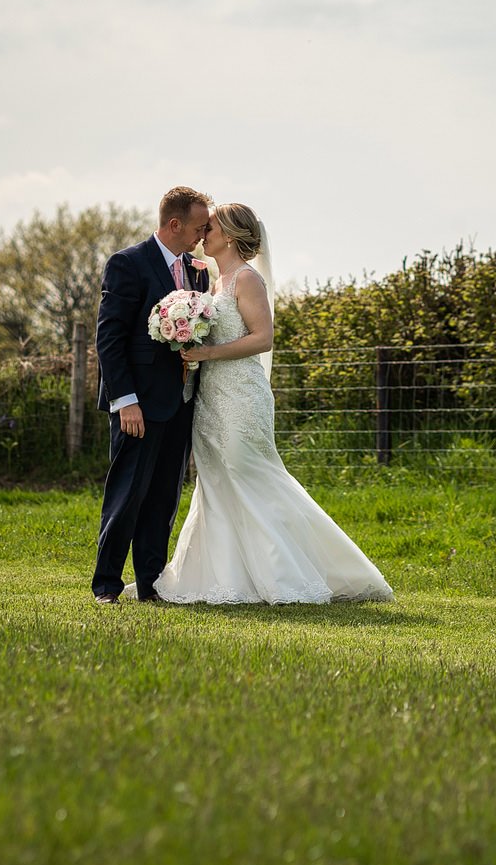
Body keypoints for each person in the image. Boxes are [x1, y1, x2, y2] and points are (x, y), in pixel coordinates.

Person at [153, 202, 394, 604]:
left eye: (210, 227)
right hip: (211, 398)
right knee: (216, 482)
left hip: (241, 398)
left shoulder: (246, 280)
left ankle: (289, 574)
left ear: (229, 235)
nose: (203, 232)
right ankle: (224, 578)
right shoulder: (213, 283)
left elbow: (262, 338)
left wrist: (209, 355)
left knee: (251, 478)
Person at [90, 186, 214, 603]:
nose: (203, 233)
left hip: (180, 401)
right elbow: (109, 338)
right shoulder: (128, 263)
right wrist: (124, 401)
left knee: (163, 498)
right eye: (199, 226)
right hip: (137, 405)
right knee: (127, 495)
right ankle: (106, 585)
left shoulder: (197, 271)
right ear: (174, 224)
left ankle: (151, 585)